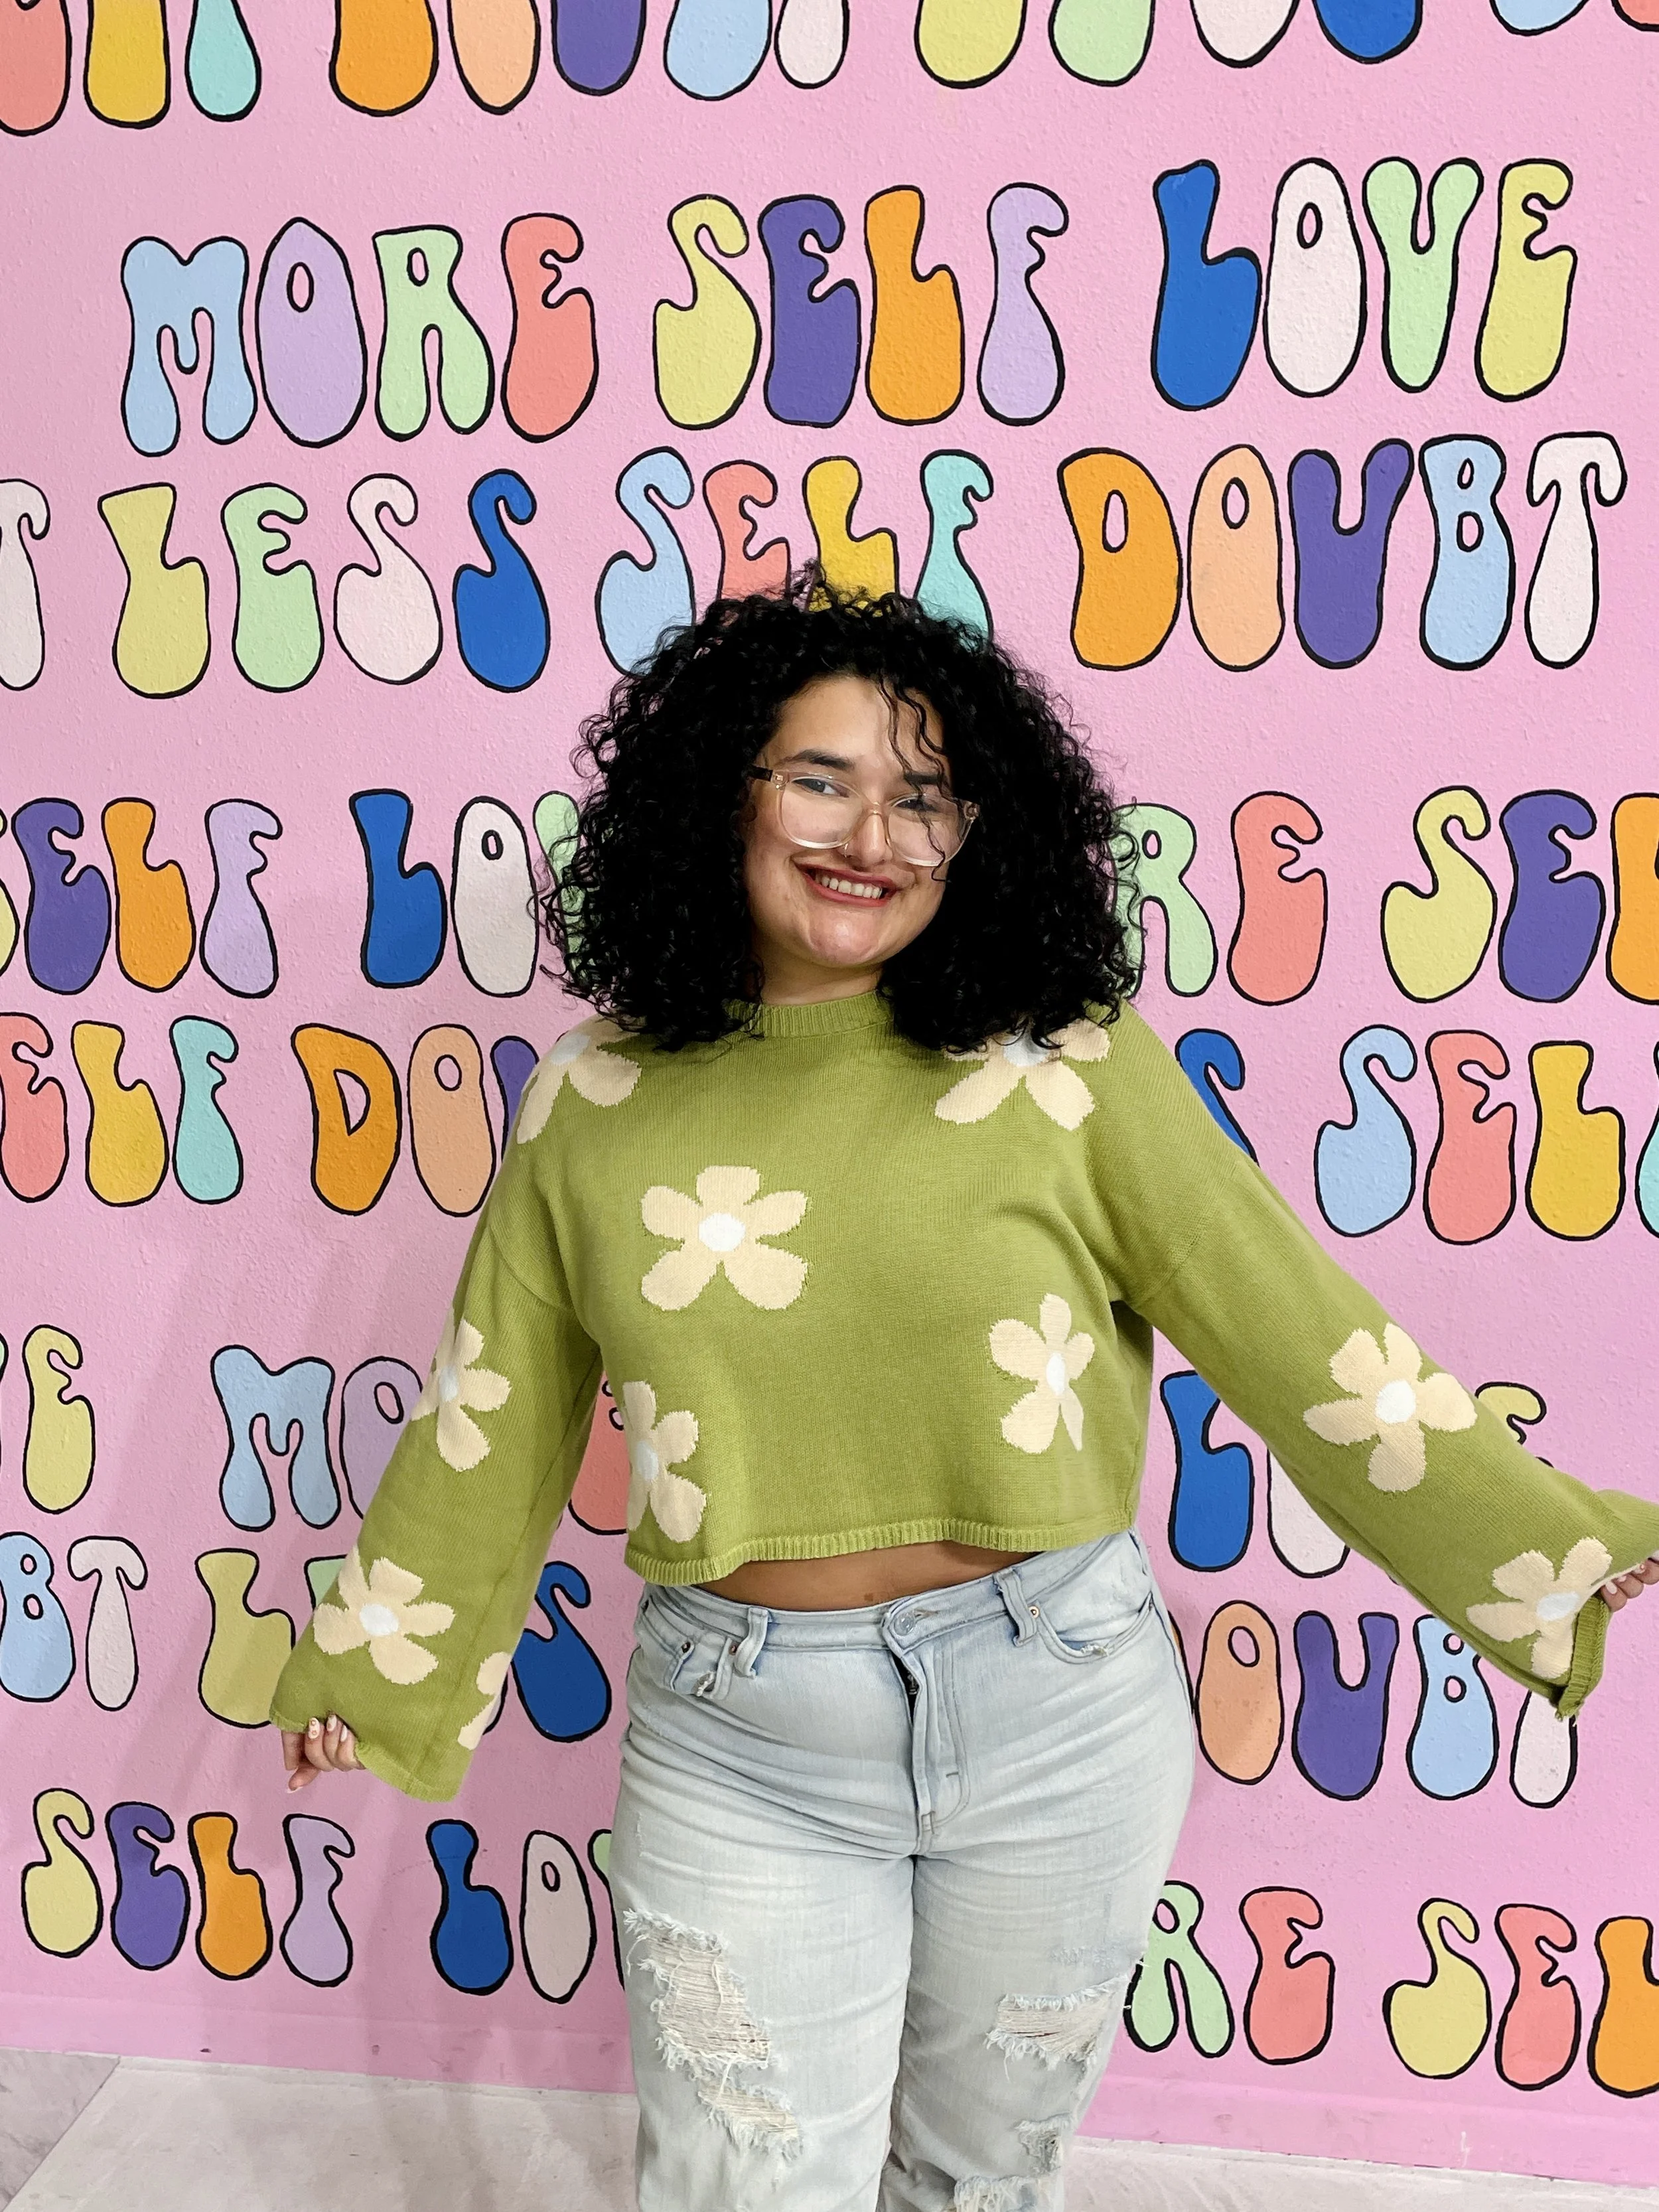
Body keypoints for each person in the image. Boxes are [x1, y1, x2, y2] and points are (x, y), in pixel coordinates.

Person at [271, 575, 1659, 2211]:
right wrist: (375, 1661)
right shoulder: (595, 1095)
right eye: (821, 779)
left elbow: (1294, 1333)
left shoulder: (1066, 1062)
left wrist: (1536, 1540)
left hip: (1058, 1709)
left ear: (974, 834)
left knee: (979, 2183)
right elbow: (492, 1410)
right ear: (722, 791)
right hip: (742, 1739)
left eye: (923, 796)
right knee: (735, 2185)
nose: (871, 834)